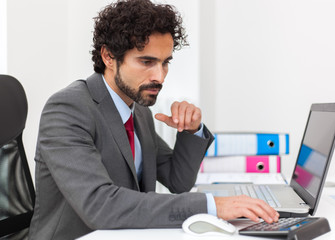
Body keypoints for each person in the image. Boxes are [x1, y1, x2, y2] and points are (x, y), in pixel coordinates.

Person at [28, 0, 279, 239]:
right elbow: (100, 205)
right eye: (146, 61)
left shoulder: (138, 111)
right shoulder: (68, 108)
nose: (159, 76)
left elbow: (177, 181)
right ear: (108, 57)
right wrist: (211, 206)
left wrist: (191, 131)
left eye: (165, 63)